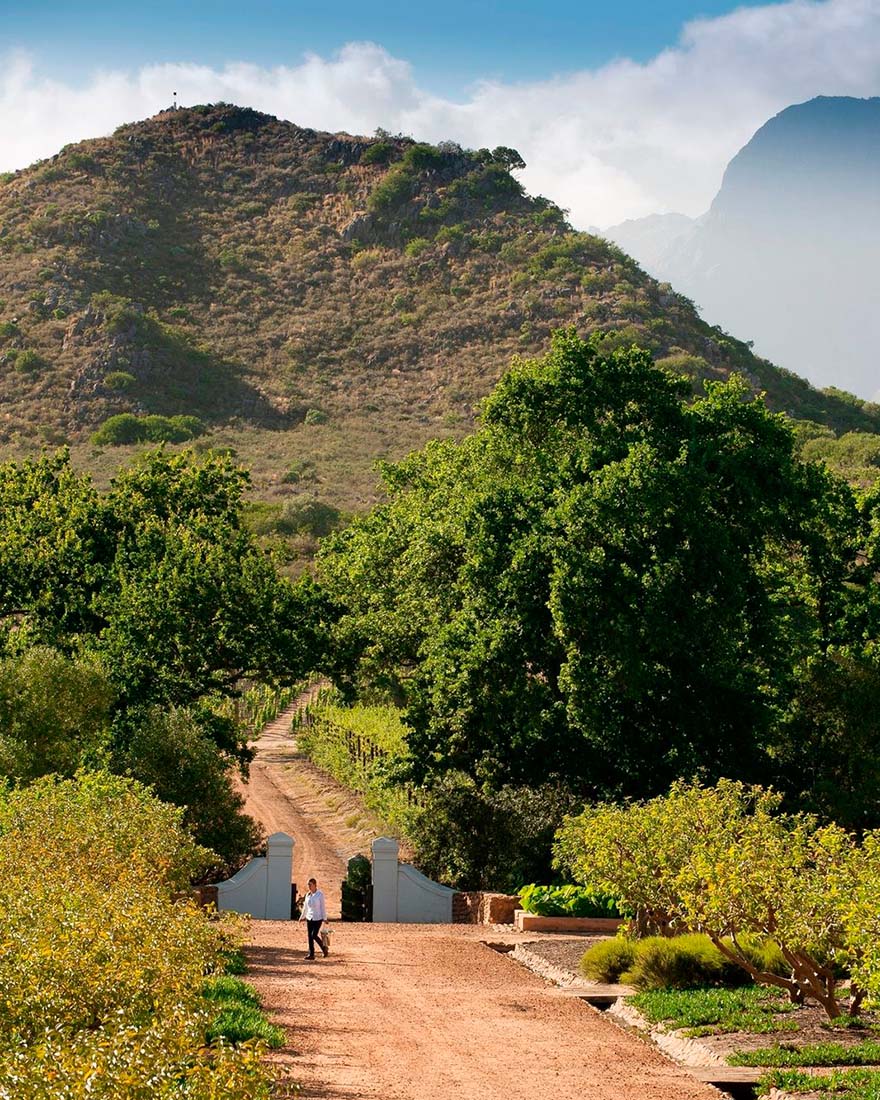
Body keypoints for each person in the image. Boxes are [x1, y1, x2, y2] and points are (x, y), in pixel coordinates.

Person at [299, 877, 328, 959]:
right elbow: (305, 907)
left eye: (310, 885)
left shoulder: (320, 894)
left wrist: (324, 918)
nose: (309, 886)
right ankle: (311, 954)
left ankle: (324, 948)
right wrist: (302, 917)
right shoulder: (308, 895)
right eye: (308, 885)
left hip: (318, 918)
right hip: (309, 917)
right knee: (309, 936)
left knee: (314, 935)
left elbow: (323, 907)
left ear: (315, 885)